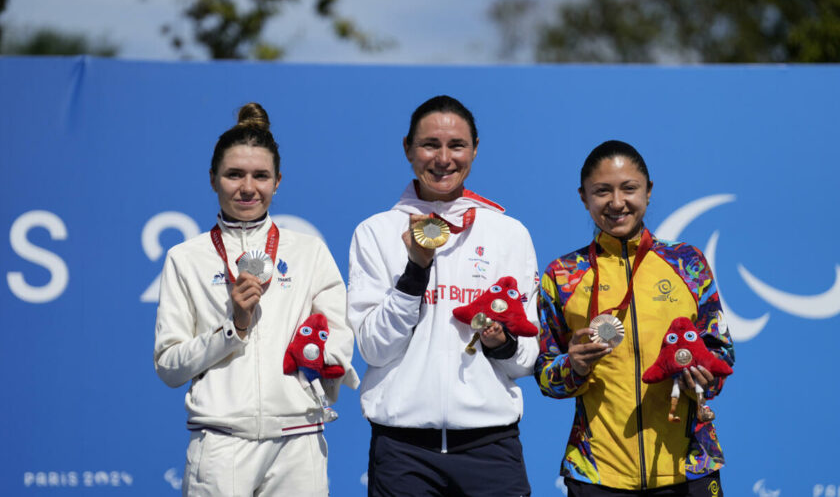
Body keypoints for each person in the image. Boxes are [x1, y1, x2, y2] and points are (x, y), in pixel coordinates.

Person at [154, 102, 358, 497]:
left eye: (260, 176)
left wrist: (318, 369)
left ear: (278, 181)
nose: (248, 187)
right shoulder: (185, 258)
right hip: (221, 443)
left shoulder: (309, 252)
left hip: (299, 444)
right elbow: (168, 366)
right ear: (212, 179)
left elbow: (339, 340)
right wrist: (234, 328)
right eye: (234, 174)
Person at [348, 95, 539, 497]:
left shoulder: (509, 233)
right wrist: (416, 270)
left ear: (475, 149)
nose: (443, 158)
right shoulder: (376, 232)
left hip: (491, 447)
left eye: (456, 145)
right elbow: (373, 349)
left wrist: (501, 343)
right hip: (403, 452)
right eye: (430, 145)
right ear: (407, 149)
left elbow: (525, 360)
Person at [536, 140, 735, 496]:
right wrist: (574, 367)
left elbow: (721, 354)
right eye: (602, 191)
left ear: (648, 191)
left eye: (629, 188)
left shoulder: (687, 263)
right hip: (597, 475)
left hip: (690, 468)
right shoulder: (563, 275)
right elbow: (546, 375)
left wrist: (700, 379)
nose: (616, 202)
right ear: (583, 197)